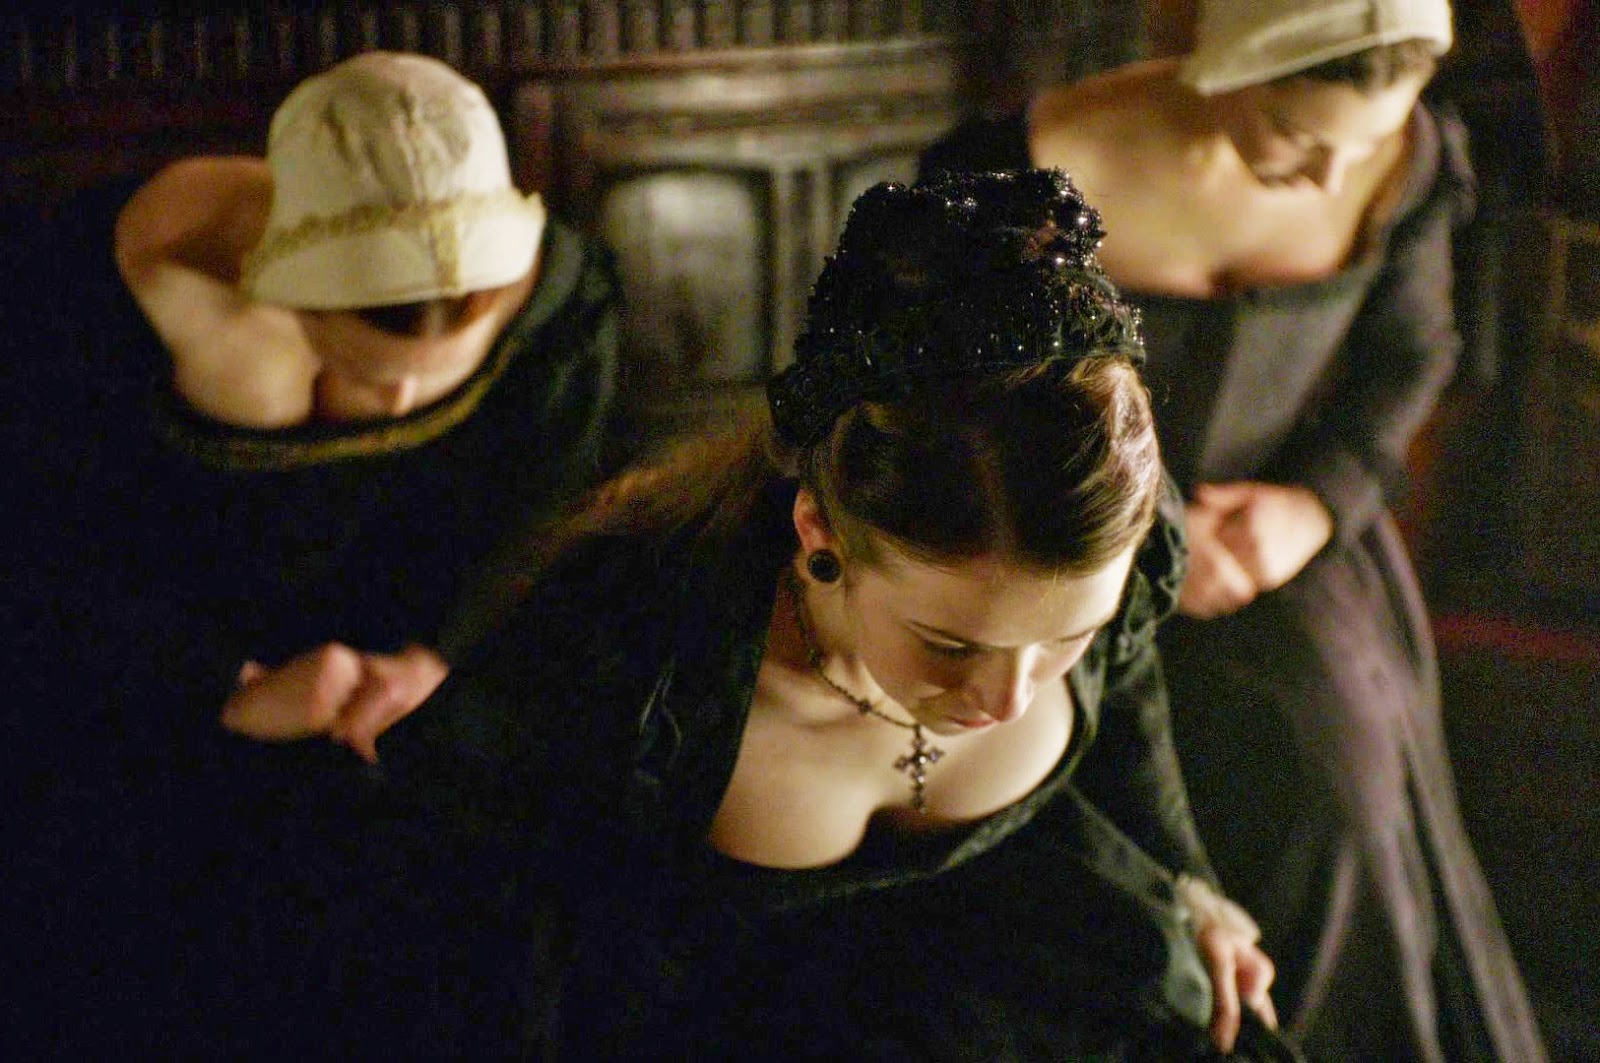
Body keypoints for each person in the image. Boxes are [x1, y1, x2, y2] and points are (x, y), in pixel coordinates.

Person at [221, 168, 1301, 1060]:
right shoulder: (627, 645)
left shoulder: (1102, 541)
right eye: (948, 642)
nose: (1008, 697)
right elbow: (468, 932)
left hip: (1052, 972)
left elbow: (1131, 699)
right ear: (819, 532)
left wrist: (1190, 883)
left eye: (1067, 639)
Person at [918, 2, 1547, 1060]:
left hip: (1278, 538)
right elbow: (961, 406)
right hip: (1056, 541)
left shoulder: (1410, 158)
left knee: (1333, 781)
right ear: (1235, 63)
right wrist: (1149, 537)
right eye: (1298, 136)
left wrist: (1313, 508)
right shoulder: (1013, 172)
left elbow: (1410, 360)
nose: (1329, 178)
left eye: (1363, 144)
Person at [3, 52, 619, 1054]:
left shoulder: (555, 298)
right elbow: (45, 551)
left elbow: (537, 515)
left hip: (412, 668)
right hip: (152, 677)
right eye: (359, 369)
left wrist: (432, 661)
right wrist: (225, 687)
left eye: (436, 379)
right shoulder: (101, 287)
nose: (402, 403)